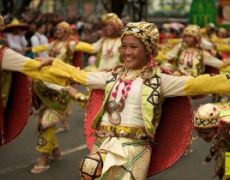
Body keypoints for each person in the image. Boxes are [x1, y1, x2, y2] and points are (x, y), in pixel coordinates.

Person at [38, 21, 230, 179]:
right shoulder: (111, 76)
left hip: (135, 149)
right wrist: (54, 63)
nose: (127, 52)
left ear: (148, 50)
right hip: (104, 143)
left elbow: (199, 84)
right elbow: (79, 76)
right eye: (124, 46)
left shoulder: (159, 80)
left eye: (134, 47)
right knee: (88, 169)